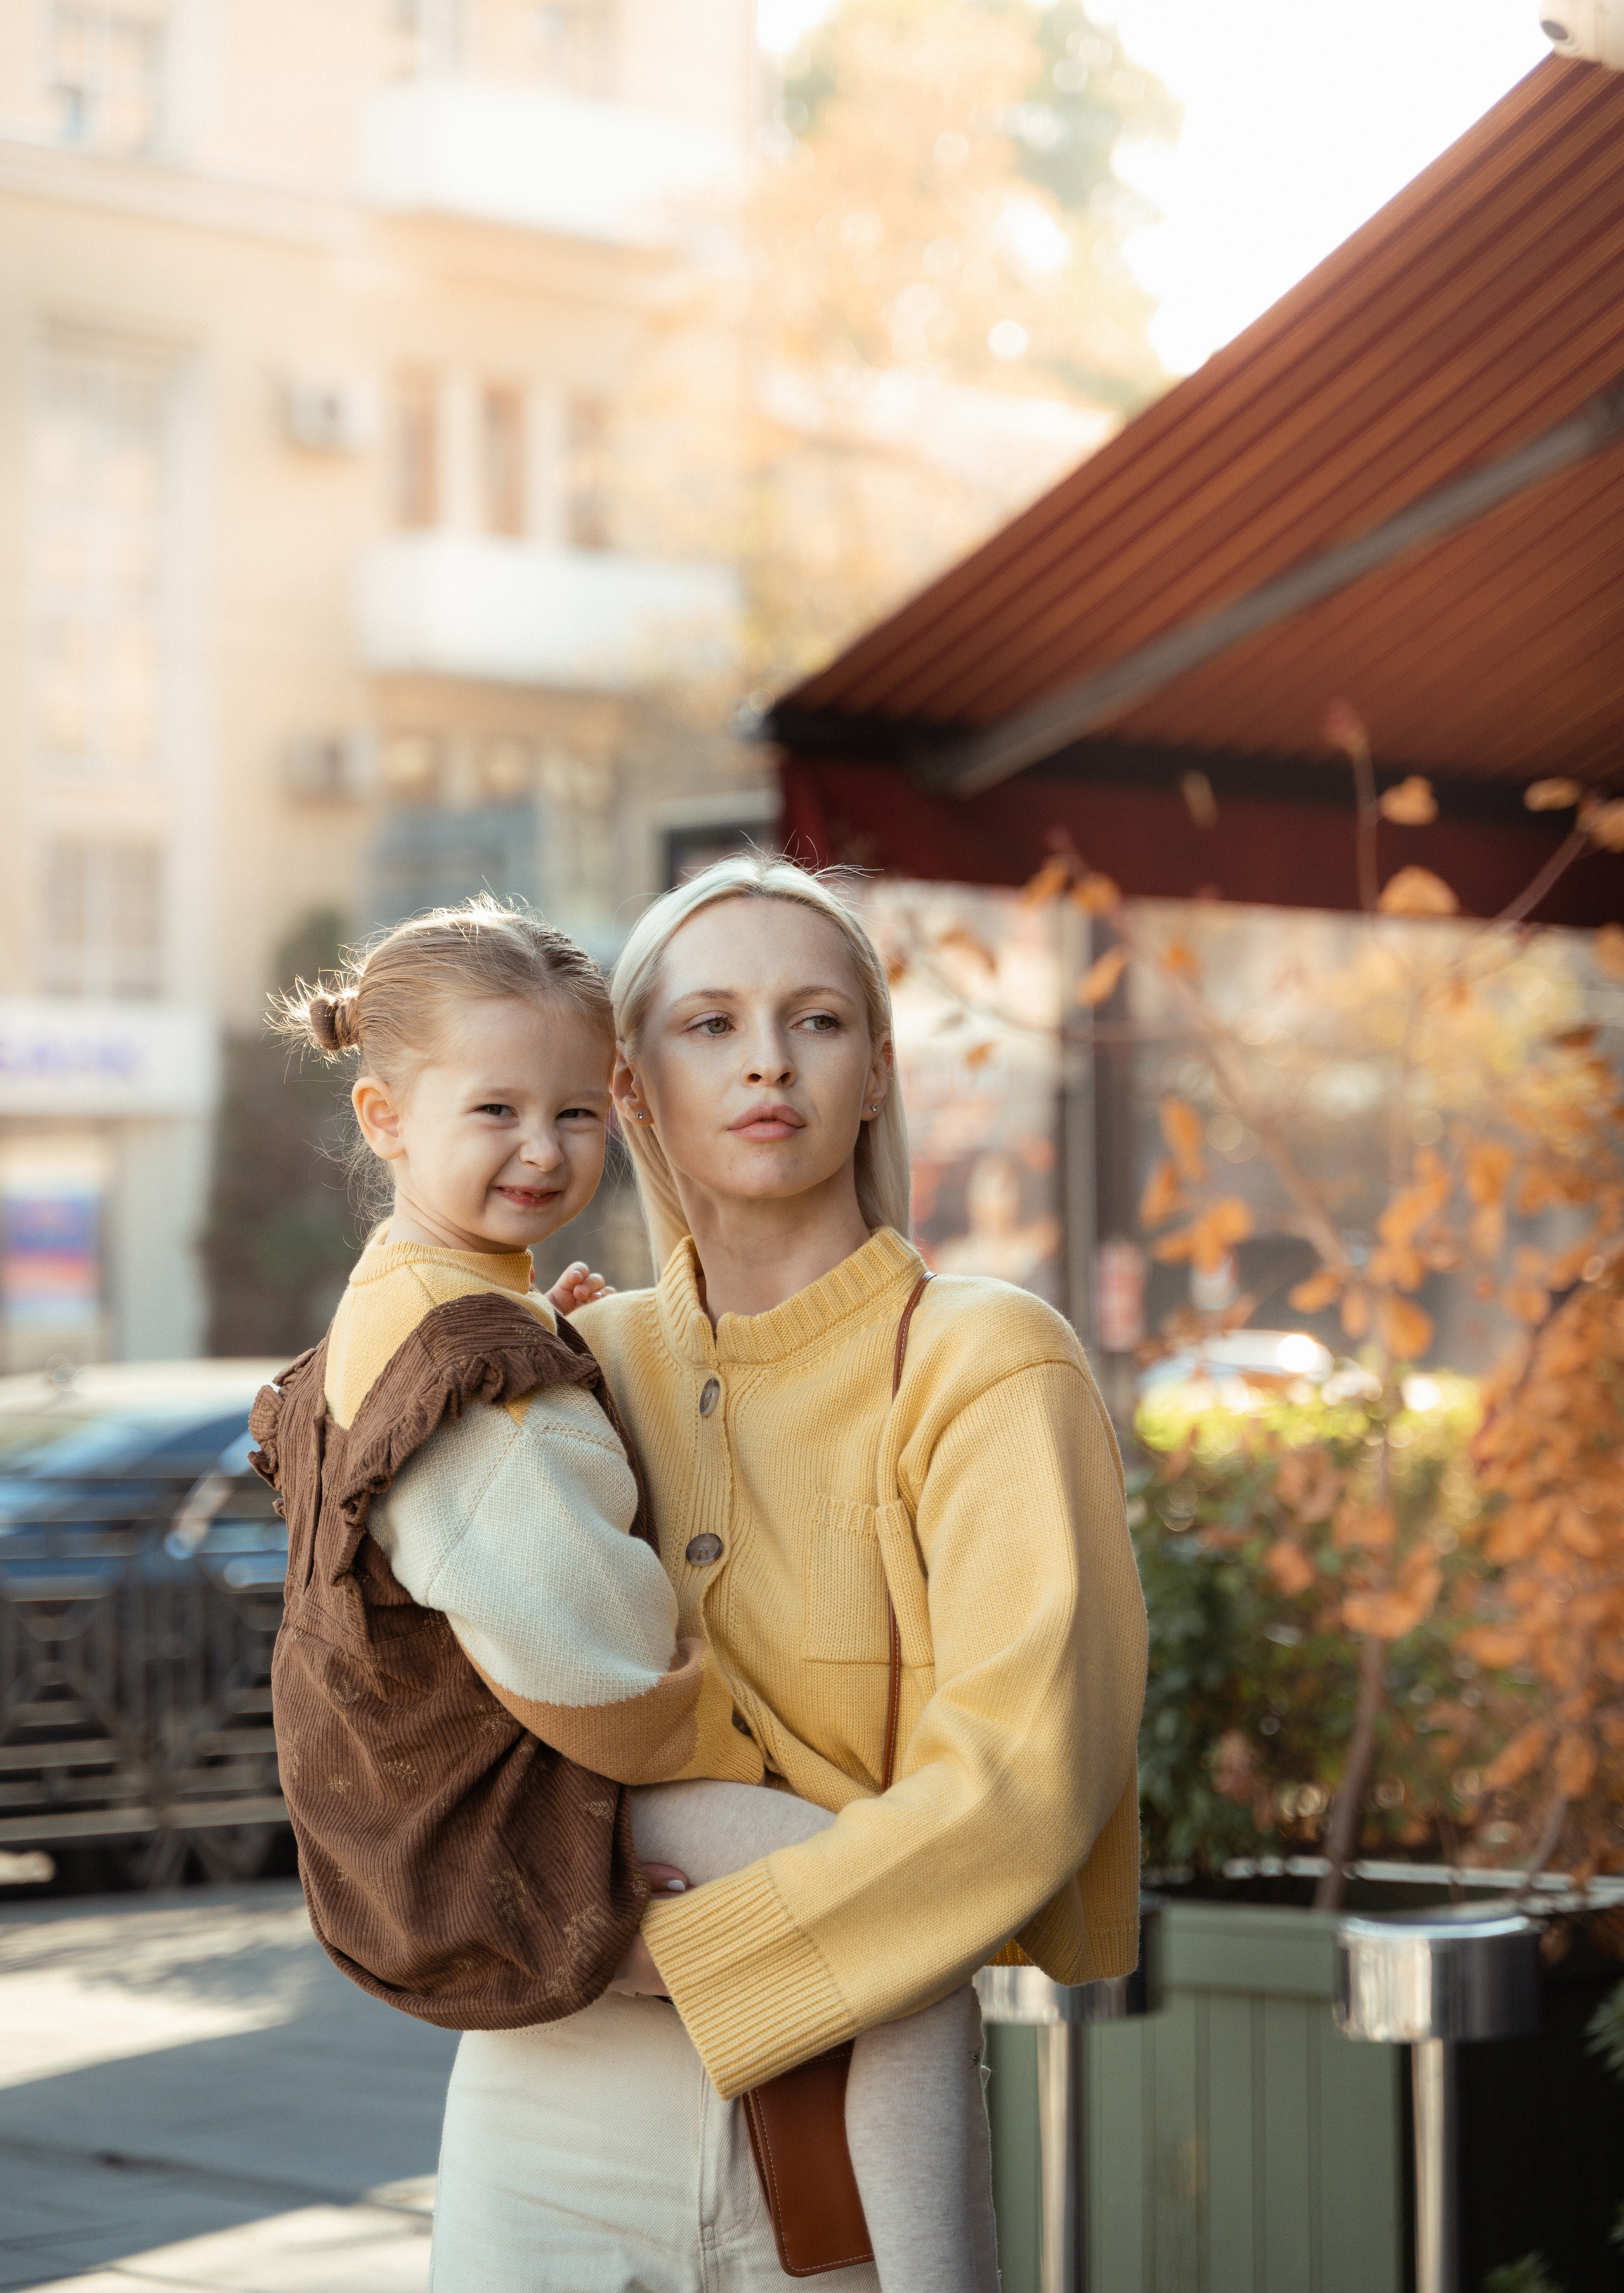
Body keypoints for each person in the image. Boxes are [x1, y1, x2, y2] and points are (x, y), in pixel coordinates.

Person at [254, 897, 997, 2293]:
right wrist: (752, 1765)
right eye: (494, 1112)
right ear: (383, 1116)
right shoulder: (474, 1366)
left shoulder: (429, 1300)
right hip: (561, 1787)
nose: (542, 1151)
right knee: (908, 1936)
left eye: (573, 1113)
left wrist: (555, 1334)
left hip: (462, 1799)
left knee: (878, 1938)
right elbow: (582, 1656)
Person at [438, 857, 1148, 2288]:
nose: (766, 1056)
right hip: (542, 2101)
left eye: (815, 1019)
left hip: (835, 2118)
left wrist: (683, 1955)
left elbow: (1025, 1781)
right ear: (630, 1087)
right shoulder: (572, 1361)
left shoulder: (984, 1360)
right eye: (709, 1024)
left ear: (877, 1071)